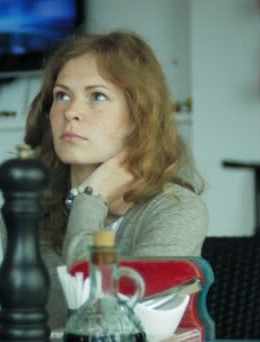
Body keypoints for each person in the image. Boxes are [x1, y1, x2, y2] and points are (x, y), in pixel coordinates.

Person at [23, 30, 208, 329]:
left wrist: (90, 198)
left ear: (139, 116)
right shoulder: (28, 211)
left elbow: (106, 323)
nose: (71, 112)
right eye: (62, 95)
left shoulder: (176, 209)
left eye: (97, 96)